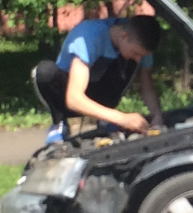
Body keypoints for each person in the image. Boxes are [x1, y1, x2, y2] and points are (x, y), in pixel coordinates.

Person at [33, 14, 163, 144]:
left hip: (100, 92)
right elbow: (73, 99)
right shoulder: (90, 36)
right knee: (45, 71)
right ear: (123, 36)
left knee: (130, 60)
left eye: (142, 55)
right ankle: (58, 124)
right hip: (67, 93)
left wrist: (157, 116)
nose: (139, 58)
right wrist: (121, 118)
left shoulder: (137, 41)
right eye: (136, 53)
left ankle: (105, 120)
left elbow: (147, 86)